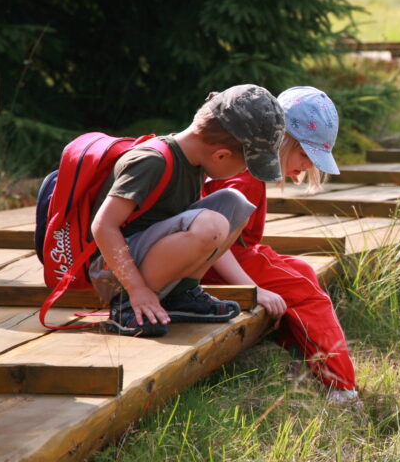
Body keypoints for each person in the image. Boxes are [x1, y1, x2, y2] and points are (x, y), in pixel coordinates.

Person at [90, 84, 286, 337]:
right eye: (245, 166)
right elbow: (103, 226)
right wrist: (136, 289)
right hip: (113, 276)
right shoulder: (152, 161)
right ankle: (125, 306)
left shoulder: (195, 162)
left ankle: (181, 293)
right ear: (222, 155)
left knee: (235, 203)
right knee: (211, 223)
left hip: (144, 258)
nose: (243, 173)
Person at [202, 86, 358, 402]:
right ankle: (341, 388)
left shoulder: (247, 167)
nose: (309, 165)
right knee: (310, 297)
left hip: (229, 255)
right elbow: (212, 243)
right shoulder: (245, 177)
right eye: (304, 153)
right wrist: (252, 289)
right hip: (217, 263)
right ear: (281, 140)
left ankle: (293, 348)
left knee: (301, 268)